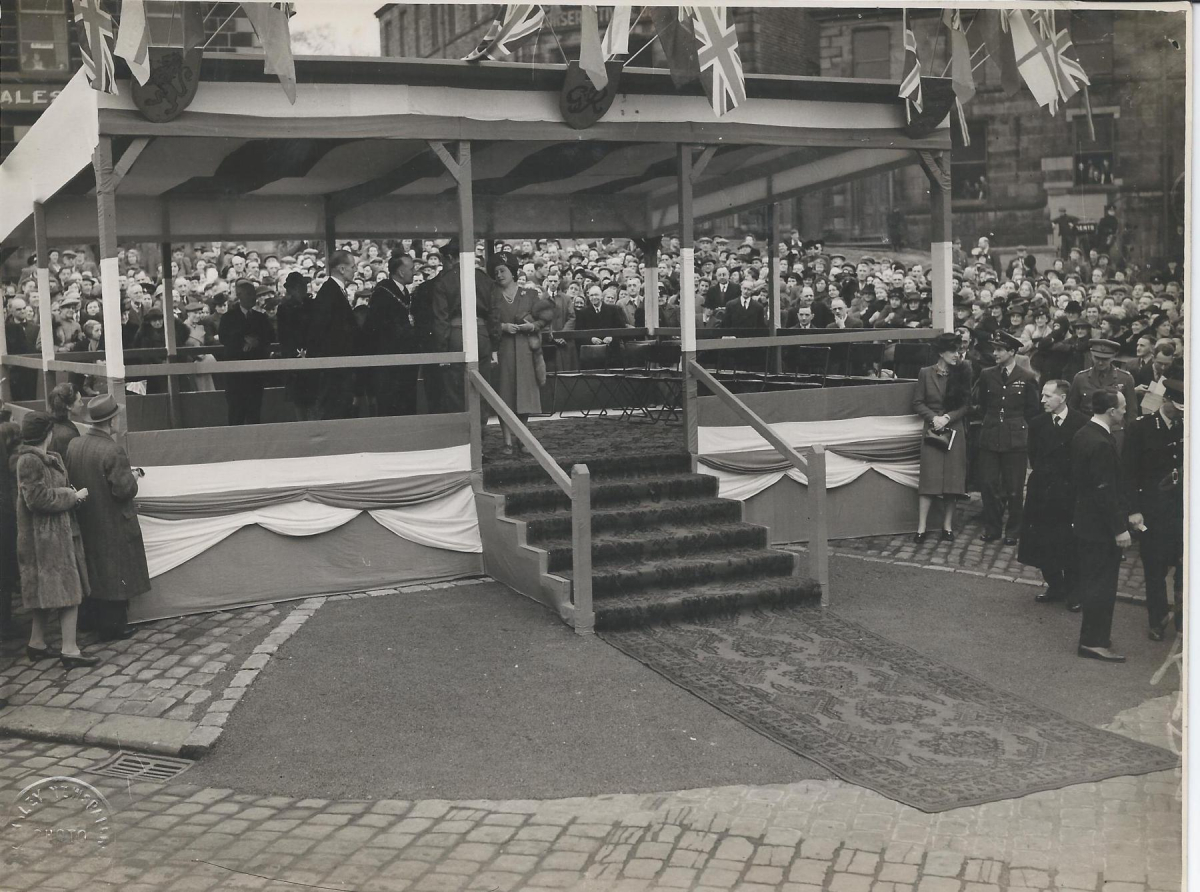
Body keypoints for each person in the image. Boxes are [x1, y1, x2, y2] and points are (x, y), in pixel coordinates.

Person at [13, 411, 98, 669]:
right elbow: (37, 499)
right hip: (46, 540)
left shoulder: (43, 458)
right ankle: (70, 650)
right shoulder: (30, 461)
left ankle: (37, 643)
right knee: (68, 593)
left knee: (43, 592)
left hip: (49, 536)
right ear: (48, 433)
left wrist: (66, 493)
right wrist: (71, 496)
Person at [65, 394, 151, 641]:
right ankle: (114, 626)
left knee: (92, 569)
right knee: (116, 573)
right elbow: (123, 490)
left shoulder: (75, 444)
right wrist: (133, 477)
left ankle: (89, 620)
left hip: (87, 517)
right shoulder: (113, 450)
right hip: (112, 520)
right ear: (111, 421)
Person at [1123, 366, 1184, 640]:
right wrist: (1133, 509)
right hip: (1152, 510)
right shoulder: (1141, 428)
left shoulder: (1188, 427)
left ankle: (1183, 620)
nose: (1182, 413)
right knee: (1154, 566)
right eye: (1178, 407)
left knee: (1185, 566)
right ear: (1166, 400)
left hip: (1183, 511)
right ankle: (1157, 619)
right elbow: (1128, 472)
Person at [1017, 379, 1089, 611]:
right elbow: (1035, 456)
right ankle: (1055, 585)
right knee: (1042, 541)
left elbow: (1082, 462)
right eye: (1043, 395)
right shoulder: (1037, 423)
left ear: (1063, 398)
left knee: (1069, 543)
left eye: (1048, 396)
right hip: (1043, 491)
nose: (1042, 400)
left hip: (1068, 493)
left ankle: (1074, 590)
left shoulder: (1081, 423)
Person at [1071, 390, 1130, 662]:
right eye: (1122, 408)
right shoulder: (1102, 443)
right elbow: (1104, 492)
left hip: (1085, 521)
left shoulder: (1084, 433)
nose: (1125, 412)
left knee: (1094, 581)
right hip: (1100, 527)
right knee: (1102, 585)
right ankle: (1094, 641)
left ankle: (1093, 637)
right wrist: (1120, 528)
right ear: (1111, 411)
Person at [976, 331, 1039, 544]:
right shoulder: (987, 374)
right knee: (988, 485)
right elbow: (983, 403)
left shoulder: (1027, 377)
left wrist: (1021, 428)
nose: (995, 353)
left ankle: (1014, 530)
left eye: (1000, 349)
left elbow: (1033, 409)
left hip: (1016, 438)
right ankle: (992, 527)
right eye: (994, 349)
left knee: (1014, 488)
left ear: (1012, 351)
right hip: (991, 434)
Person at [911, 332, 972, 542]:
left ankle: (947, 526)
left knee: (952, 481)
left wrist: (947, 417)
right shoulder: (925, 373)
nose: (957, 355)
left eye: (960, 350)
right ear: (941, 352)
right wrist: (933, 418)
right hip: (932, 430)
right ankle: (921, 528)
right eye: (953, 351)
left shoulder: (963, 371)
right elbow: (918, 402)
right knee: (930, 479)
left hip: (954, 430)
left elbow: (966, 405)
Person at [490, 252, 549, 454]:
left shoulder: (530, 294)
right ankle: (507, 441)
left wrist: (532, 327)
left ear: (513, 272)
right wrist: (503, 327)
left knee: (524, 395)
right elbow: (486, 323)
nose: (499, 275)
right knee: (504, 394)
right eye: (496, 271)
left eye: (503, 270)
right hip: (503, 350)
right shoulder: (491, 296)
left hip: (525, 350)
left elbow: (546, 317)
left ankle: (522, 438)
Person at [307, 250, 360, 420]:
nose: (355, 270)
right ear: (342, 269)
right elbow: (323, 330)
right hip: (334, 367)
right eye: (353, 267)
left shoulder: (334, 290)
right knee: (333, 410)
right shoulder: (330, 292)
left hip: (339, 365)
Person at [367, 253, 420, 417]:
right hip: (390, 360)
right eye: (411, 269)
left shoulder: (403, 292)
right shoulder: (383, 294)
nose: (414, 272)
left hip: (405, 359)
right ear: (401, 272)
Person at [218, 279, 273, 425]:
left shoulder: (261, 318)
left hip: (255, 374)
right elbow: (224, 338)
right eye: (249, 294)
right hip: (236, 373)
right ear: (239, 296)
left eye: (254, 294)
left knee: (254, 413)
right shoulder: (228, 317)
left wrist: (257, 342)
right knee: (236, 413)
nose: (253, 297)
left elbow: (270, 337)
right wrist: (242, 341)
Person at [275, 272, 318, 421]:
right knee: (299, 400)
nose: (303, 290)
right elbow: (283, 337)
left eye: (304, 286)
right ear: (291, 289)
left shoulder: (313, 305)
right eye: (299, 287)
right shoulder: (284, 309)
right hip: (294, 359)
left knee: (315, 398)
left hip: (314, 357)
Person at [46, 383, 82, 458]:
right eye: (79, 401)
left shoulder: (49, 424)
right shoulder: (69, 435)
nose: (82, 404)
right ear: (68, 406)